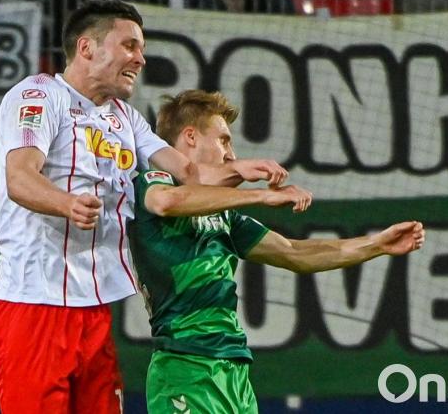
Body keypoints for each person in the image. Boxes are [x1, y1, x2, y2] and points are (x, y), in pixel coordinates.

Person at [0, 0, 288, 414]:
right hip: (31, 307)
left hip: (91, 312)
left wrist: (244, 170)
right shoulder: (37, 97)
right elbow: (19, 178)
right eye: (130, 46)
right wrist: (66, 203)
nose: (140, 59)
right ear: (88, 48)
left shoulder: (125, 119)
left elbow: (189, 173)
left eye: (140, 49)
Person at [128, 89, 426, 414]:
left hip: (234, 370)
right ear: (190, 137)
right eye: (224, 140)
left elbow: (295, 253)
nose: (231, 153)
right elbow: (166, 202)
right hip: (185, 365)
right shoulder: (152, 179)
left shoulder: (225, 217)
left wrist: (376, 244)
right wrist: (260, 196)